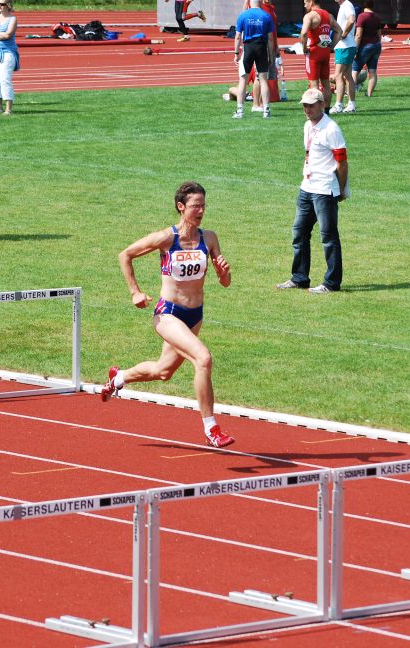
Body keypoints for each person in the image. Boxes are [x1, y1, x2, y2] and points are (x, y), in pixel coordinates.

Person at [100, 181, 235, 449]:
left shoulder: (209, 238)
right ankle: (211, 429)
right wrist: (135, 292)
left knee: (163, 372)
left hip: (195, 315)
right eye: (195, 206)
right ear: (181, 207)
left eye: (204, 206)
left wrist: (223, 273)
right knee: (203, 358)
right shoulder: (167, 238)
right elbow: (125, 255)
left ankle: (119, 377)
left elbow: (226, 283)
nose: (201, 211)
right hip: (168, 314)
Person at [277, 89, 347, 294]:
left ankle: (332, 283)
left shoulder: (331, 129)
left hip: (324, 189)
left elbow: (342, 162)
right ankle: (299, 278)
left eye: (311, 105)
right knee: (299, 233)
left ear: (322, 104)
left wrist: (341, 189)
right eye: (305, 106)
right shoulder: (308, 126)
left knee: (328, 236)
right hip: (307, 187)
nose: (307, 109)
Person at [232, 0, 274, 119]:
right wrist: (271, 55)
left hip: (248, 47)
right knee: (263, 80)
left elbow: (237, 36)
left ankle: (240, 111)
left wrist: (236, 53)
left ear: (250, 2)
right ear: (261, 2)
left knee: (243, 80)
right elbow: (270, 39)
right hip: (261, 47)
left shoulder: (243, 15)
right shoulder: (267, 16)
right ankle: (266, 110)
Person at [301, 0, 341, 108]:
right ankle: (326, 111)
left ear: (311, 2)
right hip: (325, 52)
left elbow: (304, 33)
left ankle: (317, 112)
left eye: (305, 2)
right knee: (326, 84)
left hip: (314, 52)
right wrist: (332, 46)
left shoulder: (310, 16)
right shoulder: (328, 15)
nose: (304, 5)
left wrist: (304, 48)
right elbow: (339, 31)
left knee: (314, 85)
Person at [330, 0, 357, 114]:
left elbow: (351, 20)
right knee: (347, 76)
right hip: (347, 46)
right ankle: (351, 104)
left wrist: (343, 34)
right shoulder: (344, 5)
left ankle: (339, 105)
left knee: (338, 75)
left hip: (344, 46)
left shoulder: (347, 5)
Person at [352, 0, 382, 97]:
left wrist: (355, 49)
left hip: (365, 46)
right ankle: (369, 94)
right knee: (372, 71)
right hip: (376, 45)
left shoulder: (362, 16)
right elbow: (379, 34)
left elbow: (358, 35)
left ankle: (350, 93)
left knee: (354, 71)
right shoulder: (377, 17)